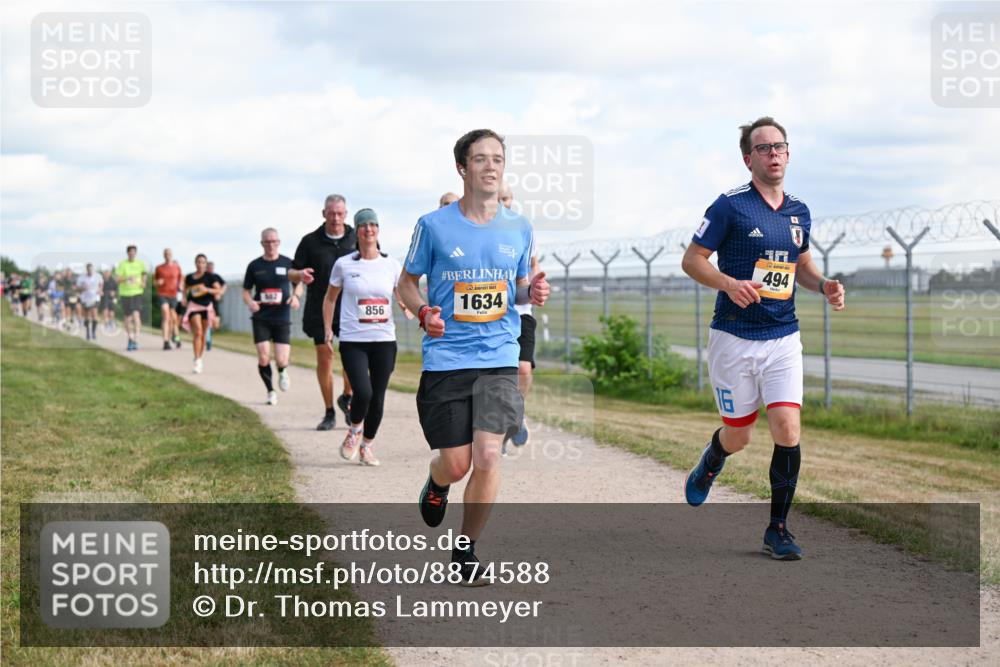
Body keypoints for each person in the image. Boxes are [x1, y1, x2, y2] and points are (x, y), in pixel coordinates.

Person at [680, 116, 846, 560]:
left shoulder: (799, 211)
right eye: (764, 148)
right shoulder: (729, 206)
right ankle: (713, 459)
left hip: (782, 337)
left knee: (787, 428)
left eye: (780, 146)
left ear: (788, 154)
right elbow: (692, 260)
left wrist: (824, 284)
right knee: (740, 435)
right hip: (734, 337)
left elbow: (802, 266)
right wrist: (729, 283)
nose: (774, 154)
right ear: (748, 158)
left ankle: (778, 529)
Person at [398, 129, 550, 585]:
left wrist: (533, 290)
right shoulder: (433, 225)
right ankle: (438, 481)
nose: (490, 165)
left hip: (499, 354)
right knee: (458, 463)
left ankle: (465, 552)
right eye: (480, 158)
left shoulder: (519, 226)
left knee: (487, 456)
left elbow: (518, 287)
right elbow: (406, 283)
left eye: (497, 158)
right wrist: (424, 311)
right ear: (462, 168)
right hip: (447, 359)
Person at [323, 209, 401, 467]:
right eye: (363, 225)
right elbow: (330, 298)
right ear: (356, 231)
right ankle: (354, 430)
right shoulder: (344, 264)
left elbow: (402, 294)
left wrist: (414, 310)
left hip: (384, 340)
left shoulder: (391, 264)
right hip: (354, 339)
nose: (368, 229)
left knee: (378, 397)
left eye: (373, 224)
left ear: (378, 230)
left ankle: (367, 445)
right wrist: (327, 328)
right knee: (363, 392)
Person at [293, 194, 358, 430]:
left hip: (351, 309)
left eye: (340, 213)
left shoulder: (356, 237)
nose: (335, 218)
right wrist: (299, 276)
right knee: (325, 356)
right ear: (324, 214)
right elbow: (293, 272)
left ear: (346, 214)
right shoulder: (310, 241)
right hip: (320, 309)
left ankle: (347, 398)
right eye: (331, 213)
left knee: (351, 359)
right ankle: (329, 411)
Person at [242, 228, 314, 405]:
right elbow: (245, 290)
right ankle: (270, 391)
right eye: (267, 242)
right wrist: (250, 301)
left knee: (282, 359)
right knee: (264, 356)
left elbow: (298, 284)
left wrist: (296, 297)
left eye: (274, 241)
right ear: (262, 244)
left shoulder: (287, 263)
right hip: (261, 317)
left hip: (282, 316)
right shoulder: (254, 266)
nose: (271, 245)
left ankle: (282, 371)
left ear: (279, 242)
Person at [499, 180, 540, 454]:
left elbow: (534, 264)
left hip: (522, 312)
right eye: (498, 198)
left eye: (506, 198)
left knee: (523, 369)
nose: (502, 203)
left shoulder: (522, 230)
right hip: (495, 312)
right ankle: (498, 429)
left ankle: (517, 412)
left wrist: (536, 288)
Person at [182, 254, 222, 373]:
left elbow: (218, 290)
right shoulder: (189, 277)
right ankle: (197, 360)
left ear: (206, 264)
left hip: (206, 307)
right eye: (198, 262)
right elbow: (185, 289)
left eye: (203, 262)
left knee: (203, 334)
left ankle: (199, 357)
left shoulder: (210, 277)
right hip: (194, 307)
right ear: (195, 263)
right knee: (198, 332)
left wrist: (207, 290)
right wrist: (184, 298)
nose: (201, 264)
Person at [115, 245, 147, 350]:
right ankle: (130, 338)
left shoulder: (140, 264)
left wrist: (144, 282)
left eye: (134, 252)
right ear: (127, 253)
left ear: (136, 253)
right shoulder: (122, 264)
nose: (132, 254)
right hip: (125, 294)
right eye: (130, 252)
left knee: (136, 315)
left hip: (137, 293)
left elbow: (144, 274)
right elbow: (118, 279)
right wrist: (127, 278)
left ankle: (136, 339)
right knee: (128, 318)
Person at [154, 248, 183, 350]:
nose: (168, 255)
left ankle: (176, 337)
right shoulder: (159, 268)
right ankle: (166, 341)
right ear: (163, 255)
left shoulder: (177, 267)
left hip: (173, 295)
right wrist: (158, 282)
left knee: (174, 318)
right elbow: (155, 282)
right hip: (162, 294)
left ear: (172, 255)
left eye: (169, 253)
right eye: (166, 254)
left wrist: (181, 287)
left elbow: (181, 280)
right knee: (166, 315)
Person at [76, 263, 103, 340]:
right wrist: (82, 288)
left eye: (91, 269)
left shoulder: (98, 276)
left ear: (93, 269)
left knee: (94, 315)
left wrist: (100, 290)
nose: (90, 271)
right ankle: (88, 332)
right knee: (87, 316)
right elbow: (77, 288)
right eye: (88, 270)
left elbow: (101, 285)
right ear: (86, 270)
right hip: (85, 298)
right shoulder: (81, 278)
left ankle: (93, 332)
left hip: (95, 298)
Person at [204, 261, 226, 351]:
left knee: (216, 324)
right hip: (205, 303)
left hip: (215, 303)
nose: (211, 269)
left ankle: (208, 335)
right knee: (207, 323)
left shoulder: (216, 277)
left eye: (212, 267)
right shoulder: (203, 277)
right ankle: (208, 340)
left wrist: (220, 293)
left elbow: (224, 285)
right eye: (209, 267)